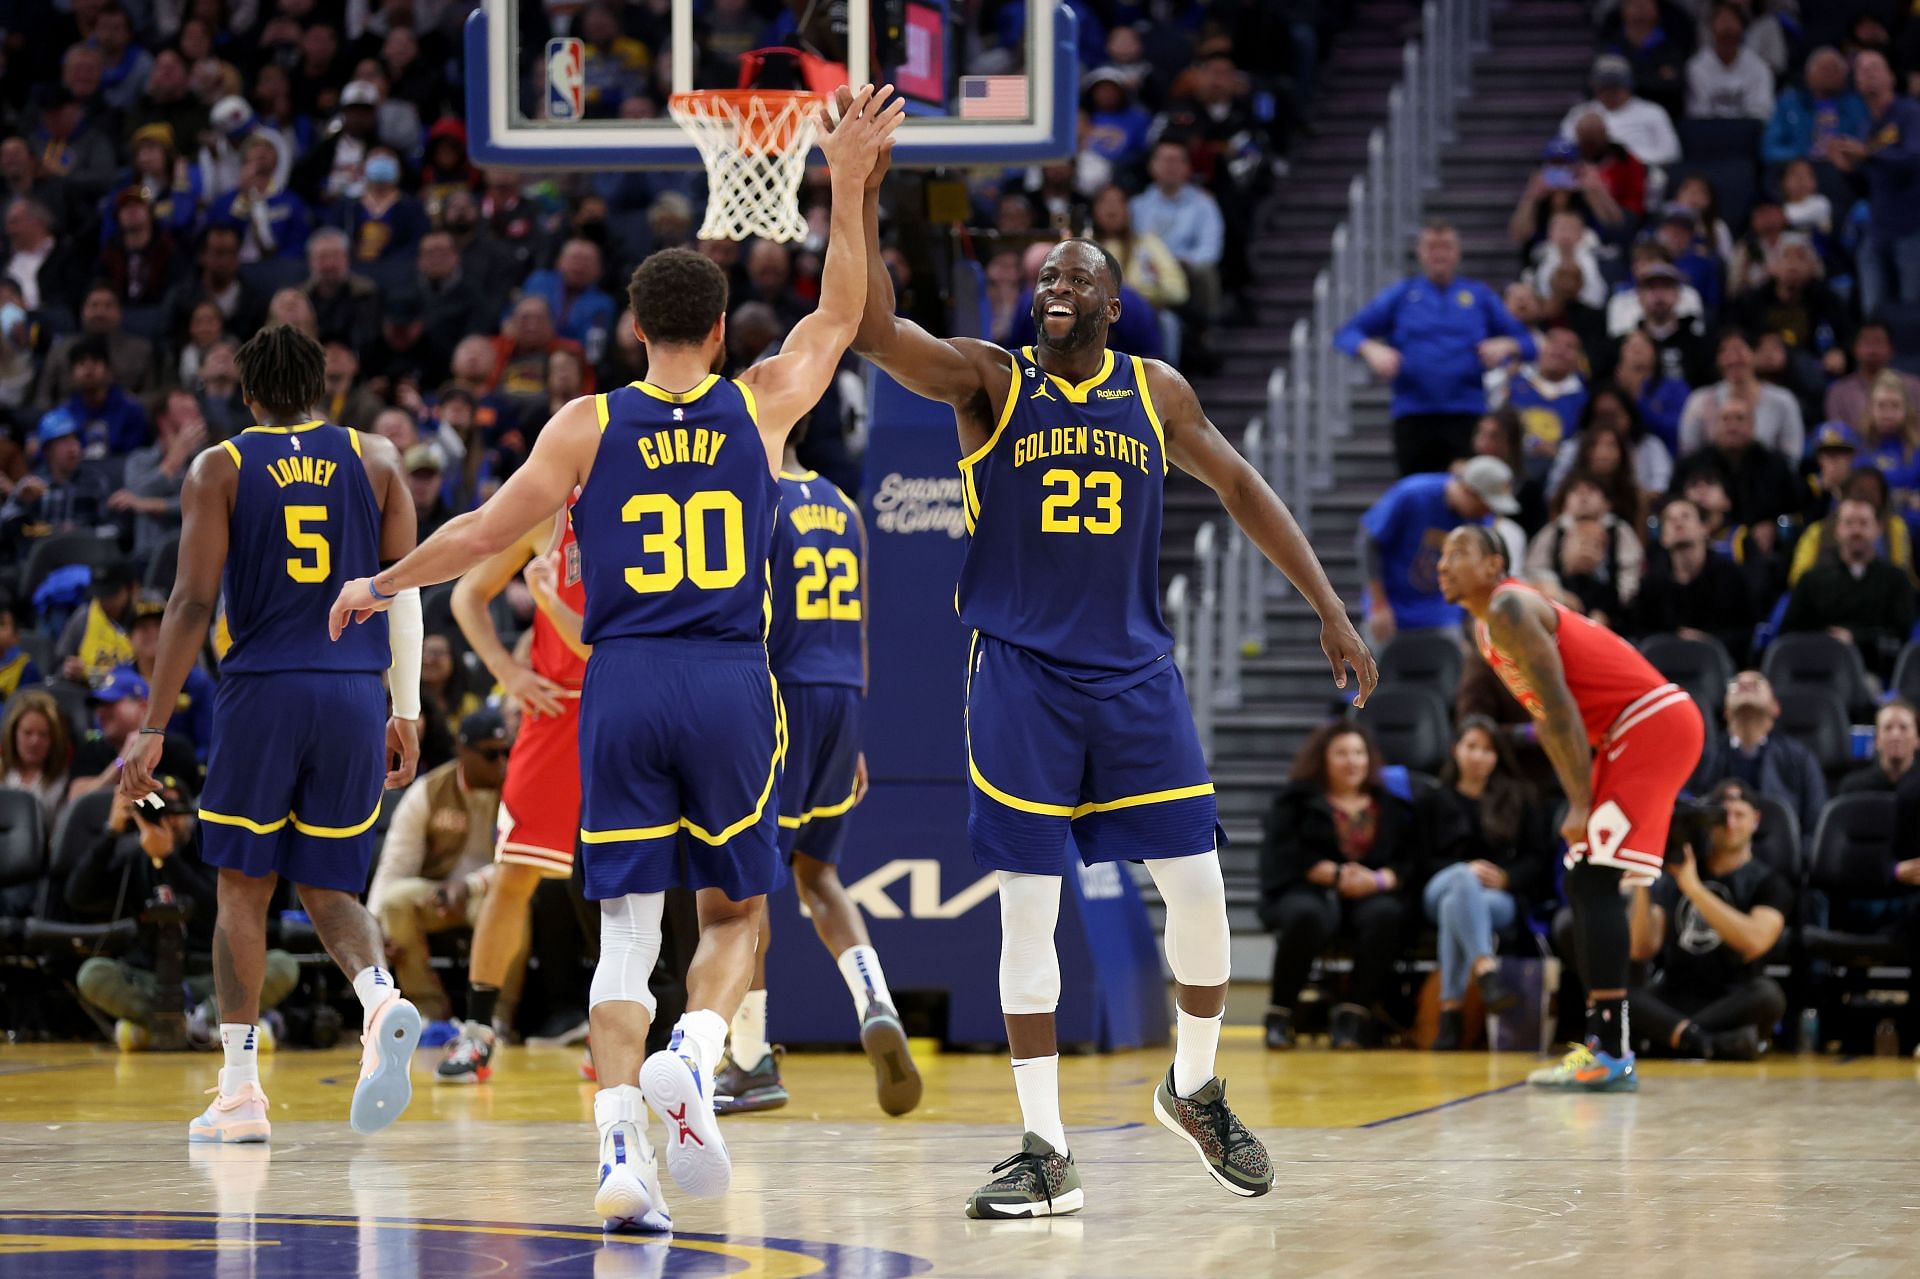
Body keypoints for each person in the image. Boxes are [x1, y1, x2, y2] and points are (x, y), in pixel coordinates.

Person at [328, 86, 903, 1232]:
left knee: (626, 931)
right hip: (734, 683)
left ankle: (621, 1162)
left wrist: (381, 582)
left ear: (635, 328)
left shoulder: (585, 425)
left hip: (622, 684)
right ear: (725, 319)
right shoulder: (763, 403)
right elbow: (844, 308)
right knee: (739, 916)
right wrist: (849, 184)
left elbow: (483, 533)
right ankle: (696, 1049)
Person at [848, 86, 1375, 1218]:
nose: (1051, 289)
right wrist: (863, 195)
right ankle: (1044, 1148)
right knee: (1026, 908)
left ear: (1114, 302)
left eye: (1073, 278)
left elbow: (1241, 486)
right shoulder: (992, 381)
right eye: (1042, 278)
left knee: (1195, 890)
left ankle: (1193, 1087)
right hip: (1023, 674)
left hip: (1134, 670)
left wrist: (1328, 605)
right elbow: (880, 332)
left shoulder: (1155, 391)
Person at [117, 324, 425, 1146]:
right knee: (328, 887)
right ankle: (381, 998)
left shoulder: (220, 465)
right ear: (324, 385)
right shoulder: (379, 458)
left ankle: (242, 1092)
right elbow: (405, 590)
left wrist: (152, 724)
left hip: (263, 692)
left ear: (246, 395)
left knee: (242, 891)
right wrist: (407, 707)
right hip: (356, 693)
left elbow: (187, 602)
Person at [1436, 524, 1705, 1092]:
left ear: (1494, 563)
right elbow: (1549, 715)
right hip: (1624, 733)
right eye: (1440, 555)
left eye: (1458, 553)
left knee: (1593, 877)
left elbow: (1558, 710)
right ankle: (1605, 1047)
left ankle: (1609, 1053)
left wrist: (1581, 802)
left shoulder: (1509, 606)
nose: (1443, 564)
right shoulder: (1488, 627)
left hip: (1649, 722)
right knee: (1587, 878)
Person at [718, 426, 921, 1117]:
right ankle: (875, 1000)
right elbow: (859, 625)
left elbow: (743, 617)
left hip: (780, 694)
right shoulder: (845, 506)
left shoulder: (753, 496)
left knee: (747, 884)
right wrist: (852, 734)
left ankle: (749, 1060)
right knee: (819, 873)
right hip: (841, 697)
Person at [436, 510, 591, 1085]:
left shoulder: (650, 487)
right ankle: (477, 1031)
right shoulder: (549, 513)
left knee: (628, 880)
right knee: (514, 875)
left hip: (625, 700)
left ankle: (621, 1028)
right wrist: (508, 672)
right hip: (554, 712)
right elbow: (467, 595)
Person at [69, 773, 303, 1053]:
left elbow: (216, 911)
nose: (167, 819)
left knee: (283, 965)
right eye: (158, 809)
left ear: (190, 813)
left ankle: (182, 1024)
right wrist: (111, 832)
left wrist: (169, 859)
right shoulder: (133, 855)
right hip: (151, 977)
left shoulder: (211, 850)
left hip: (213, 976)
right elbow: (77, 897)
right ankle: (206, 1030)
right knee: (92, 974)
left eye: (174, 810)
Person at [1335, 222, 1536, 476]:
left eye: (1446, 247)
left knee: (1469, 491)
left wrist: (1507, 343)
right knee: (1416, 493)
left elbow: (1530, 344)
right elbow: (1346, 333)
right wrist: (1371, 349)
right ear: (1420, 252)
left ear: (1457, 252)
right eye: (1432, 247)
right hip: (1414, 414)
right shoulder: (1402, 295)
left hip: (1467, 415)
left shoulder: (1479, 296)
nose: (1439, 254)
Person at [1259, 722, 1412, 1053]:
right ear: (1323, 759)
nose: (1352, 761)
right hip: (1307, 888)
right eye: (1341, 753)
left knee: (1386, 915)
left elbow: (1411, 860)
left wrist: (1377, 880)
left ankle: (1353, 1017)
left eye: (1358, 753)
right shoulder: (1295, 801)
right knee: (1306, 915)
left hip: (1371, 892)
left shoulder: (1391, 805)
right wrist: (1334, 875)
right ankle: (1280, 1014)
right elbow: (1281, 855)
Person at [369, 709, 511, 1028]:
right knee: (394, 900)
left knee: (510, 904)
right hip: (437, 892)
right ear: (463, 751)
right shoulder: (430, 790)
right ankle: (427, 1009)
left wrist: (470, 886)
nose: (502, 763)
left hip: (490, 891)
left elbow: (517, 863)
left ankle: (498, 1015)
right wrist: (374, 922)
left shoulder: (518, 790)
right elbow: (397, 862)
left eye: (508, 752)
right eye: (491, 754)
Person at [1628, 780, 1789, 1059]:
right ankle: (1708, 1042)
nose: (1730, 823)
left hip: (1731, 998)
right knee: (1616, 995)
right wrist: (1643, 877)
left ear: (1755, 820)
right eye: (1722, 815)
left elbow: (1754, 942)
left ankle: (1671, 1039)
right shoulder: (1678, 871)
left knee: (1768, 996)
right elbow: (1641, 948)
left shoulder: (1769, 882)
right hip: (1675, 994)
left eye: (1739, 815)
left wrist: (1694, 889)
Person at [1417, 716, 1551, 1050]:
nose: (1478, 756)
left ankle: (1451, 1014)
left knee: (1456, 909)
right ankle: (1485, 967)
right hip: (1440, 886)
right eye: (1471, 746)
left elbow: (1537, 859)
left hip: (1497, 898)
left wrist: (1507, 877)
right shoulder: (1433, 799)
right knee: (1461, 880)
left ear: (1498, 756)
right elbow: (1418, 861)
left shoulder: (1518, 798)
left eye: (1487, 749)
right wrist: (1464, 869)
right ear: (1455, 750)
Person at [1361, 457, 1517, 646]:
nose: (1487, 513)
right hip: (1393, 606)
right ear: (1468, 491)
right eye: (1485, 505)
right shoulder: (1413, 494)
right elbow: (1370, 542)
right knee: (1377, 669)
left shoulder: (1480, 521)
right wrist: (1378, 603)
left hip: (1441, 613)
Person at [1780, 497, 1916, 682]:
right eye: (1849, 523)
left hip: (1873, 674)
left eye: (1863, 523)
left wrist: (1856, 639)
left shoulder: (1896, 580)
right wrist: (1828, 640)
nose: (1856, 530)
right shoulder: (1811, 580)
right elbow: (1788, 634)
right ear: (1837, 529)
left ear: (1878, 529)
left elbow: (1902, 636)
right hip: (1816, 671)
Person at [1829, 52, 1920, 316]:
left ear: (1891, 77)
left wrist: (1868, 155)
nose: (1868, 73)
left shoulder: (1910, 113)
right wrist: (1847, 170)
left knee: (1911, 312)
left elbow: (1914, 159)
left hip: (1912, 229)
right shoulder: (1866, 128)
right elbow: (1866, 188)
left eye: (1875, 68)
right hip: (1878, 229)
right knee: (1874, 314)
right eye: (1861, 69)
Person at [1691, 670, 1827, 840]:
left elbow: (1815, 826)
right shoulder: (1704, 758)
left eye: (1756, 683)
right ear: (1725, 711)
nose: (1746, 684)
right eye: (1737, 684)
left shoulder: (1800, 758)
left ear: (1775, 707)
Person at [1630, 496, 1756, 663]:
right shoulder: (1652, 583)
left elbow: (1745, 632)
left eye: (1686, 516)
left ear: (1704, 528)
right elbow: (1640, 634)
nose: (1678, 523)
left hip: (1719, 666)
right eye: (1670, 520)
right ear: (1663, 538)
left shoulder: (1729, 575)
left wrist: (1709, 642)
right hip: (1666, 666)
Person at [1524, 471, 1645, 627]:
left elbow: (1630, 577)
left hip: (1612, 615)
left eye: (1591, 491)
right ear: (1565, 502)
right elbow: (1534, 572)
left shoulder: (1619, 531)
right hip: (1559, 609)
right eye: (1576, 492)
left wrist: (1610, 610)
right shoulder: (1553, 532)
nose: (1583, 498)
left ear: (1607, 503)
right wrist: (1558, 595)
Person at [1676, 331, 1807, 459]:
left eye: (1739, 350)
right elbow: (1689, 454)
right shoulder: (1700, 400)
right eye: (1724, 351)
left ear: (1755, 354)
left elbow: (1792, 455)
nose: (1732, 359)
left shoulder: (1783, 400)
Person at [1825, 321, 1920, 433]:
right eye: (1867, 343)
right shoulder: (1838, 392)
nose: (1872, 350)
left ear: (1891, 349)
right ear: (1854, 348)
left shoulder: (1914, 386)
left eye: (1878, 342)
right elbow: (1837, 438)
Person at [1685, 2, 1774, 121]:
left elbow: (1761, 113)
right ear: (1711, 26)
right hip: (1708, 134)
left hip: (1747, 134)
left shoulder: (1758, 67)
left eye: (1732, 20)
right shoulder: (1697, 66)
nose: (1727, 26)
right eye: (1722, 20)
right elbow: (1698, 114)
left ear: (1742, 26)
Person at [0, 689, 70, 827]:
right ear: (14, 734)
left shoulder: (63, 781)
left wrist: (119, 762)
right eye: (27, 733)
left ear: (53, 740)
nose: (35, 741)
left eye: (43, 735)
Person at [1839, 699, 1918, 794]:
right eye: (1888, 728)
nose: (1895, 735)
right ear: (1876, 740)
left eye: (1903, 728)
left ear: (1917, 739)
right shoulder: (1854, 788)